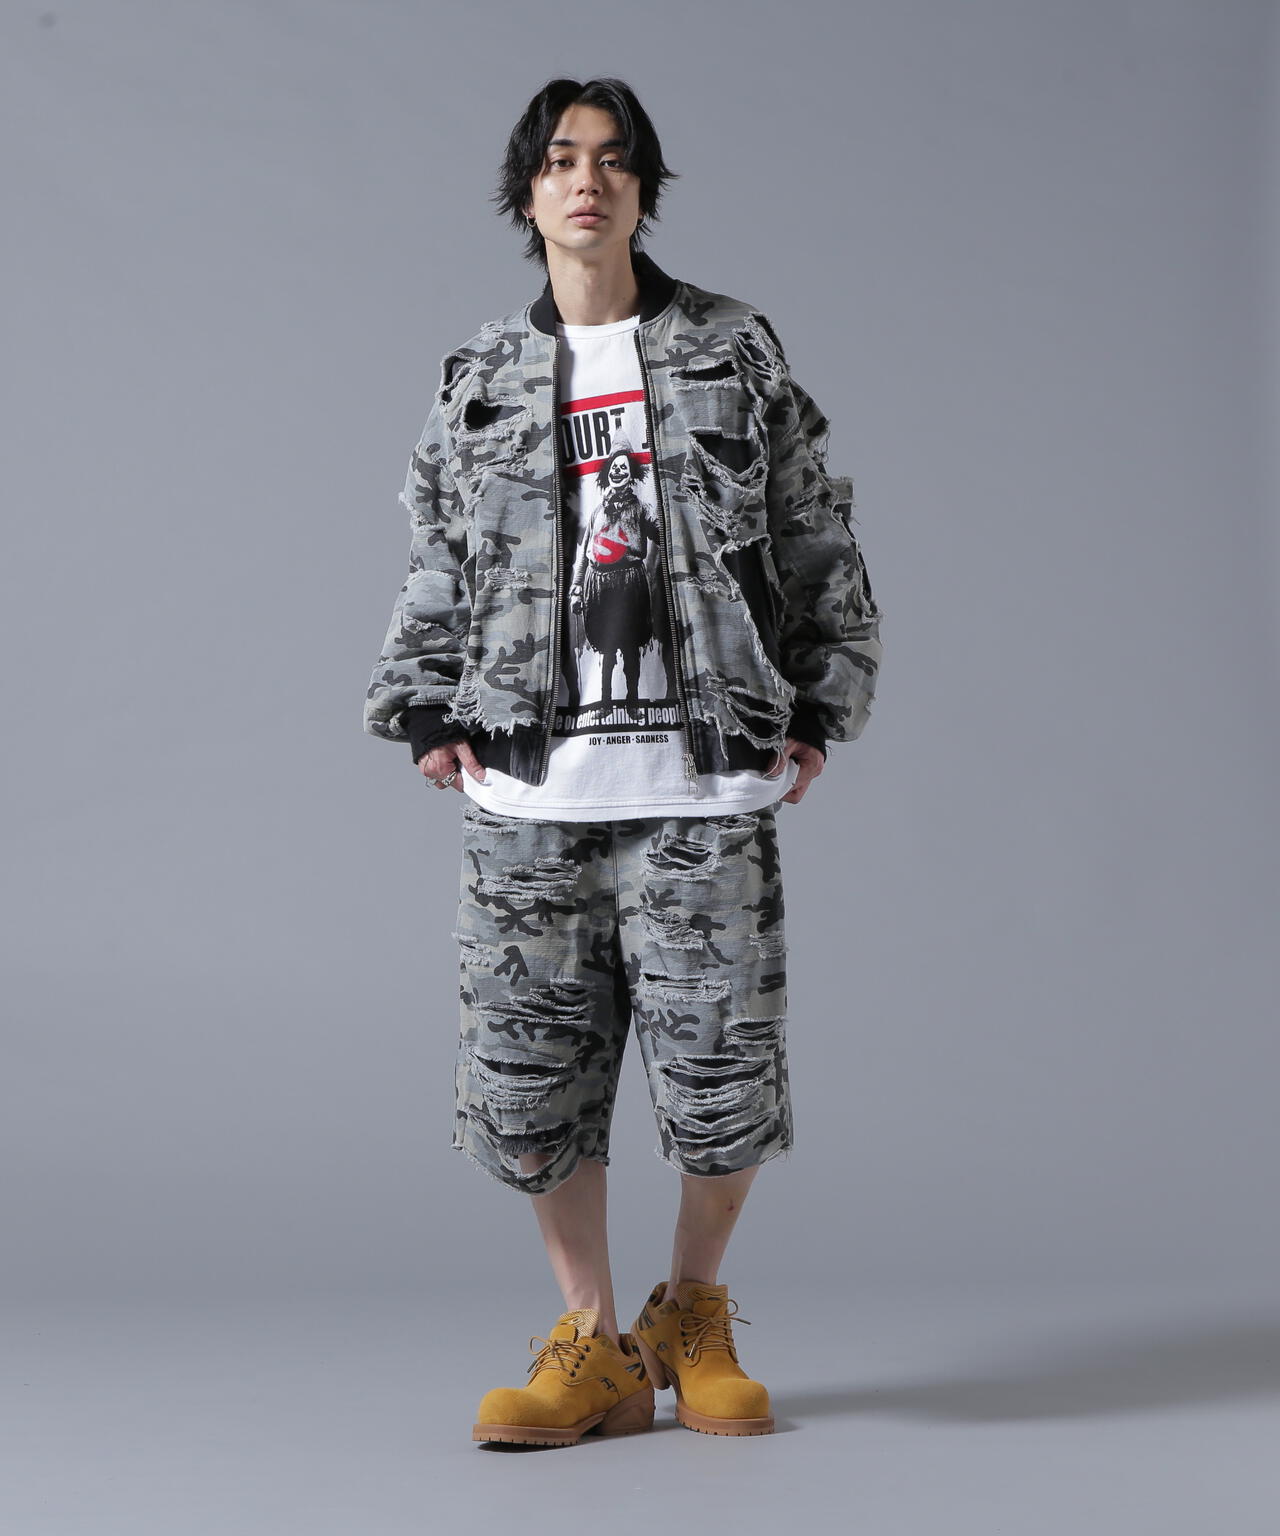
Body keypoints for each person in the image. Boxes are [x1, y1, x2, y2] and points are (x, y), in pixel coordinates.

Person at [363, 76, 883, 1448]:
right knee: (532, 1083)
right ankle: (590, 1340)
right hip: (530, 791)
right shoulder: (480, 374)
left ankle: (691, 1313)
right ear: (527, 192)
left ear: (644, 189)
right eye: (559, 160)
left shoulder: (731, 348)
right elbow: (438, 554)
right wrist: (426, 705)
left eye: (611, 160)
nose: (584, 181)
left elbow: (816, 531)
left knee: (723, 1081)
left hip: (704, 782)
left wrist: (821, 703)